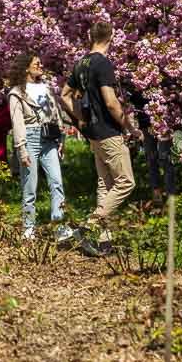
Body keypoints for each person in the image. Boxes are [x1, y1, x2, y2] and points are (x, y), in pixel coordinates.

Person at [61, 21, 140, 257]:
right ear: (112, 37)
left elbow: (64, 96)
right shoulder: (103, 63)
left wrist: (80, 119)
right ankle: (88, 226)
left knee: (105, 185)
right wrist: (129, 127)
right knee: (126, 182)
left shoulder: (81, 63)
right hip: (108, 132)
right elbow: (111, 102)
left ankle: (104, 241)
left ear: (90, 36)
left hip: (93, 133)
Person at [8, 53, 72, 241]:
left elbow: (56, 113)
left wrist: (61, 137)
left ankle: (59, 225)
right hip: (29, 138)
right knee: (30, 186)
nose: (41, 66)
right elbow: (17, 123)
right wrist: (21, 148)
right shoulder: (16, 93)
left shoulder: (47, 88)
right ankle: (29, 227)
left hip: (49, 138)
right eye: (37, 64)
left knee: (57, 182)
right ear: (26, 68)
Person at [125, 80, 173, 206]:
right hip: (146, 125)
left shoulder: (161, 79)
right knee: (151, 158)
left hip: (163, 124)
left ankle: (170, 194)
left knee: (165, 157)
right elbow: (132, 100)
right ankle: (156, 193)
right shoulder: (135, 81)